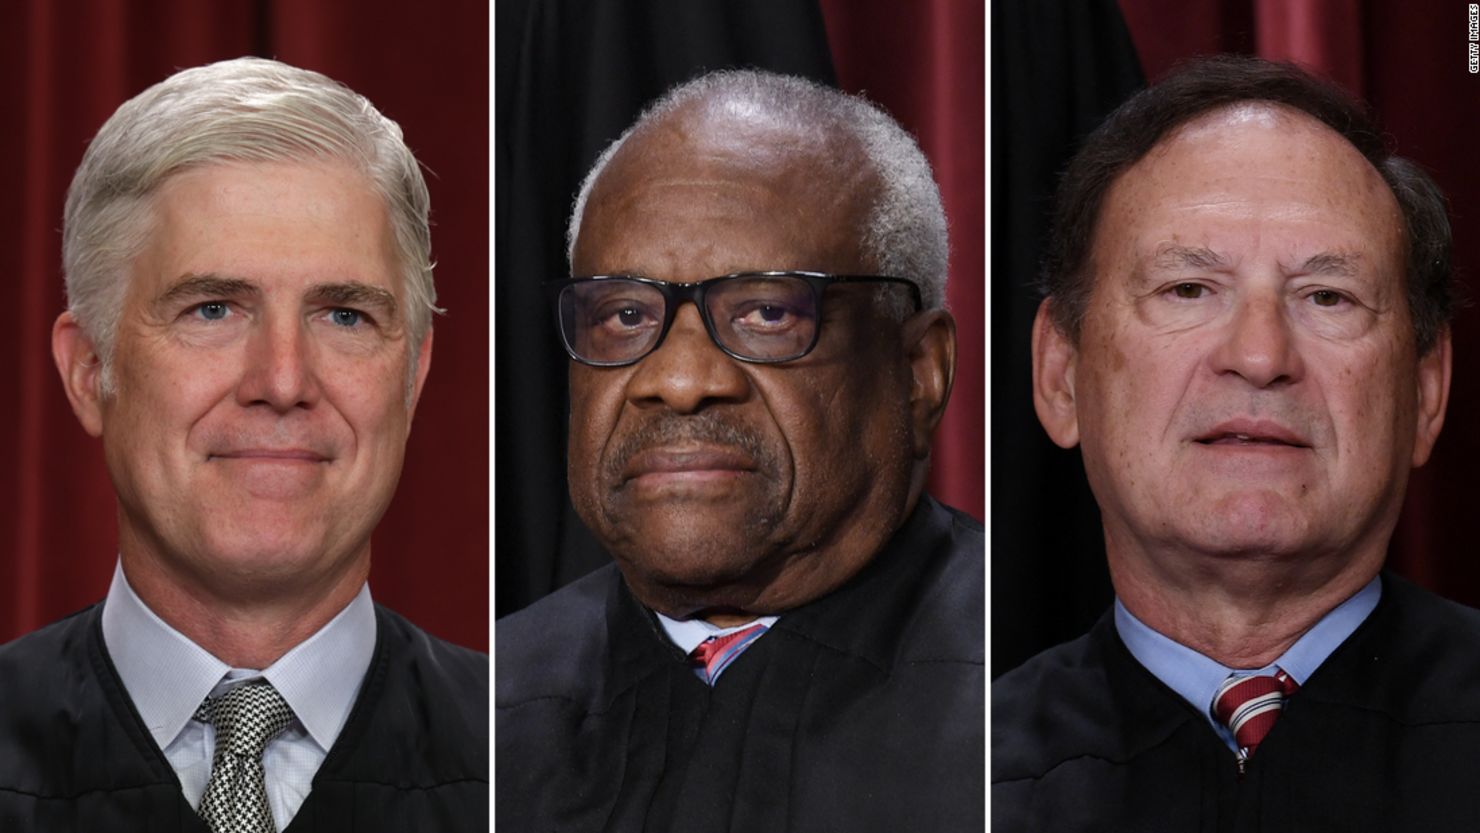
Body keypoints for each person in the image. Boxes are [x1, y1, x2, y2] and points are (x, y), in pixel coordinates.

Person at [992, 54, 1478, 830]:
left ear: (1424, 392)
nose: (1259, 355)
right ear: (1060, 374)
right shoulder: (931, 782)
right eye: (1188, 288)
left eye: (1328, 295)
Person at [0, 58, 487, 832]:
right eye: (213, 308)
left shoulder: (533, 761)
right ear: (91, 372)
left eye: (344, 316)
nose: (284, 378)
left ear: (412, 378)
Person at [495, 70, 984, 832]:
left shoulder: (1026, 707)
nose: (681, 379)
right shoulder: (482, 715)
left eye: (767, 310)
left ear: (919, 373)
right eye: (624, 315)